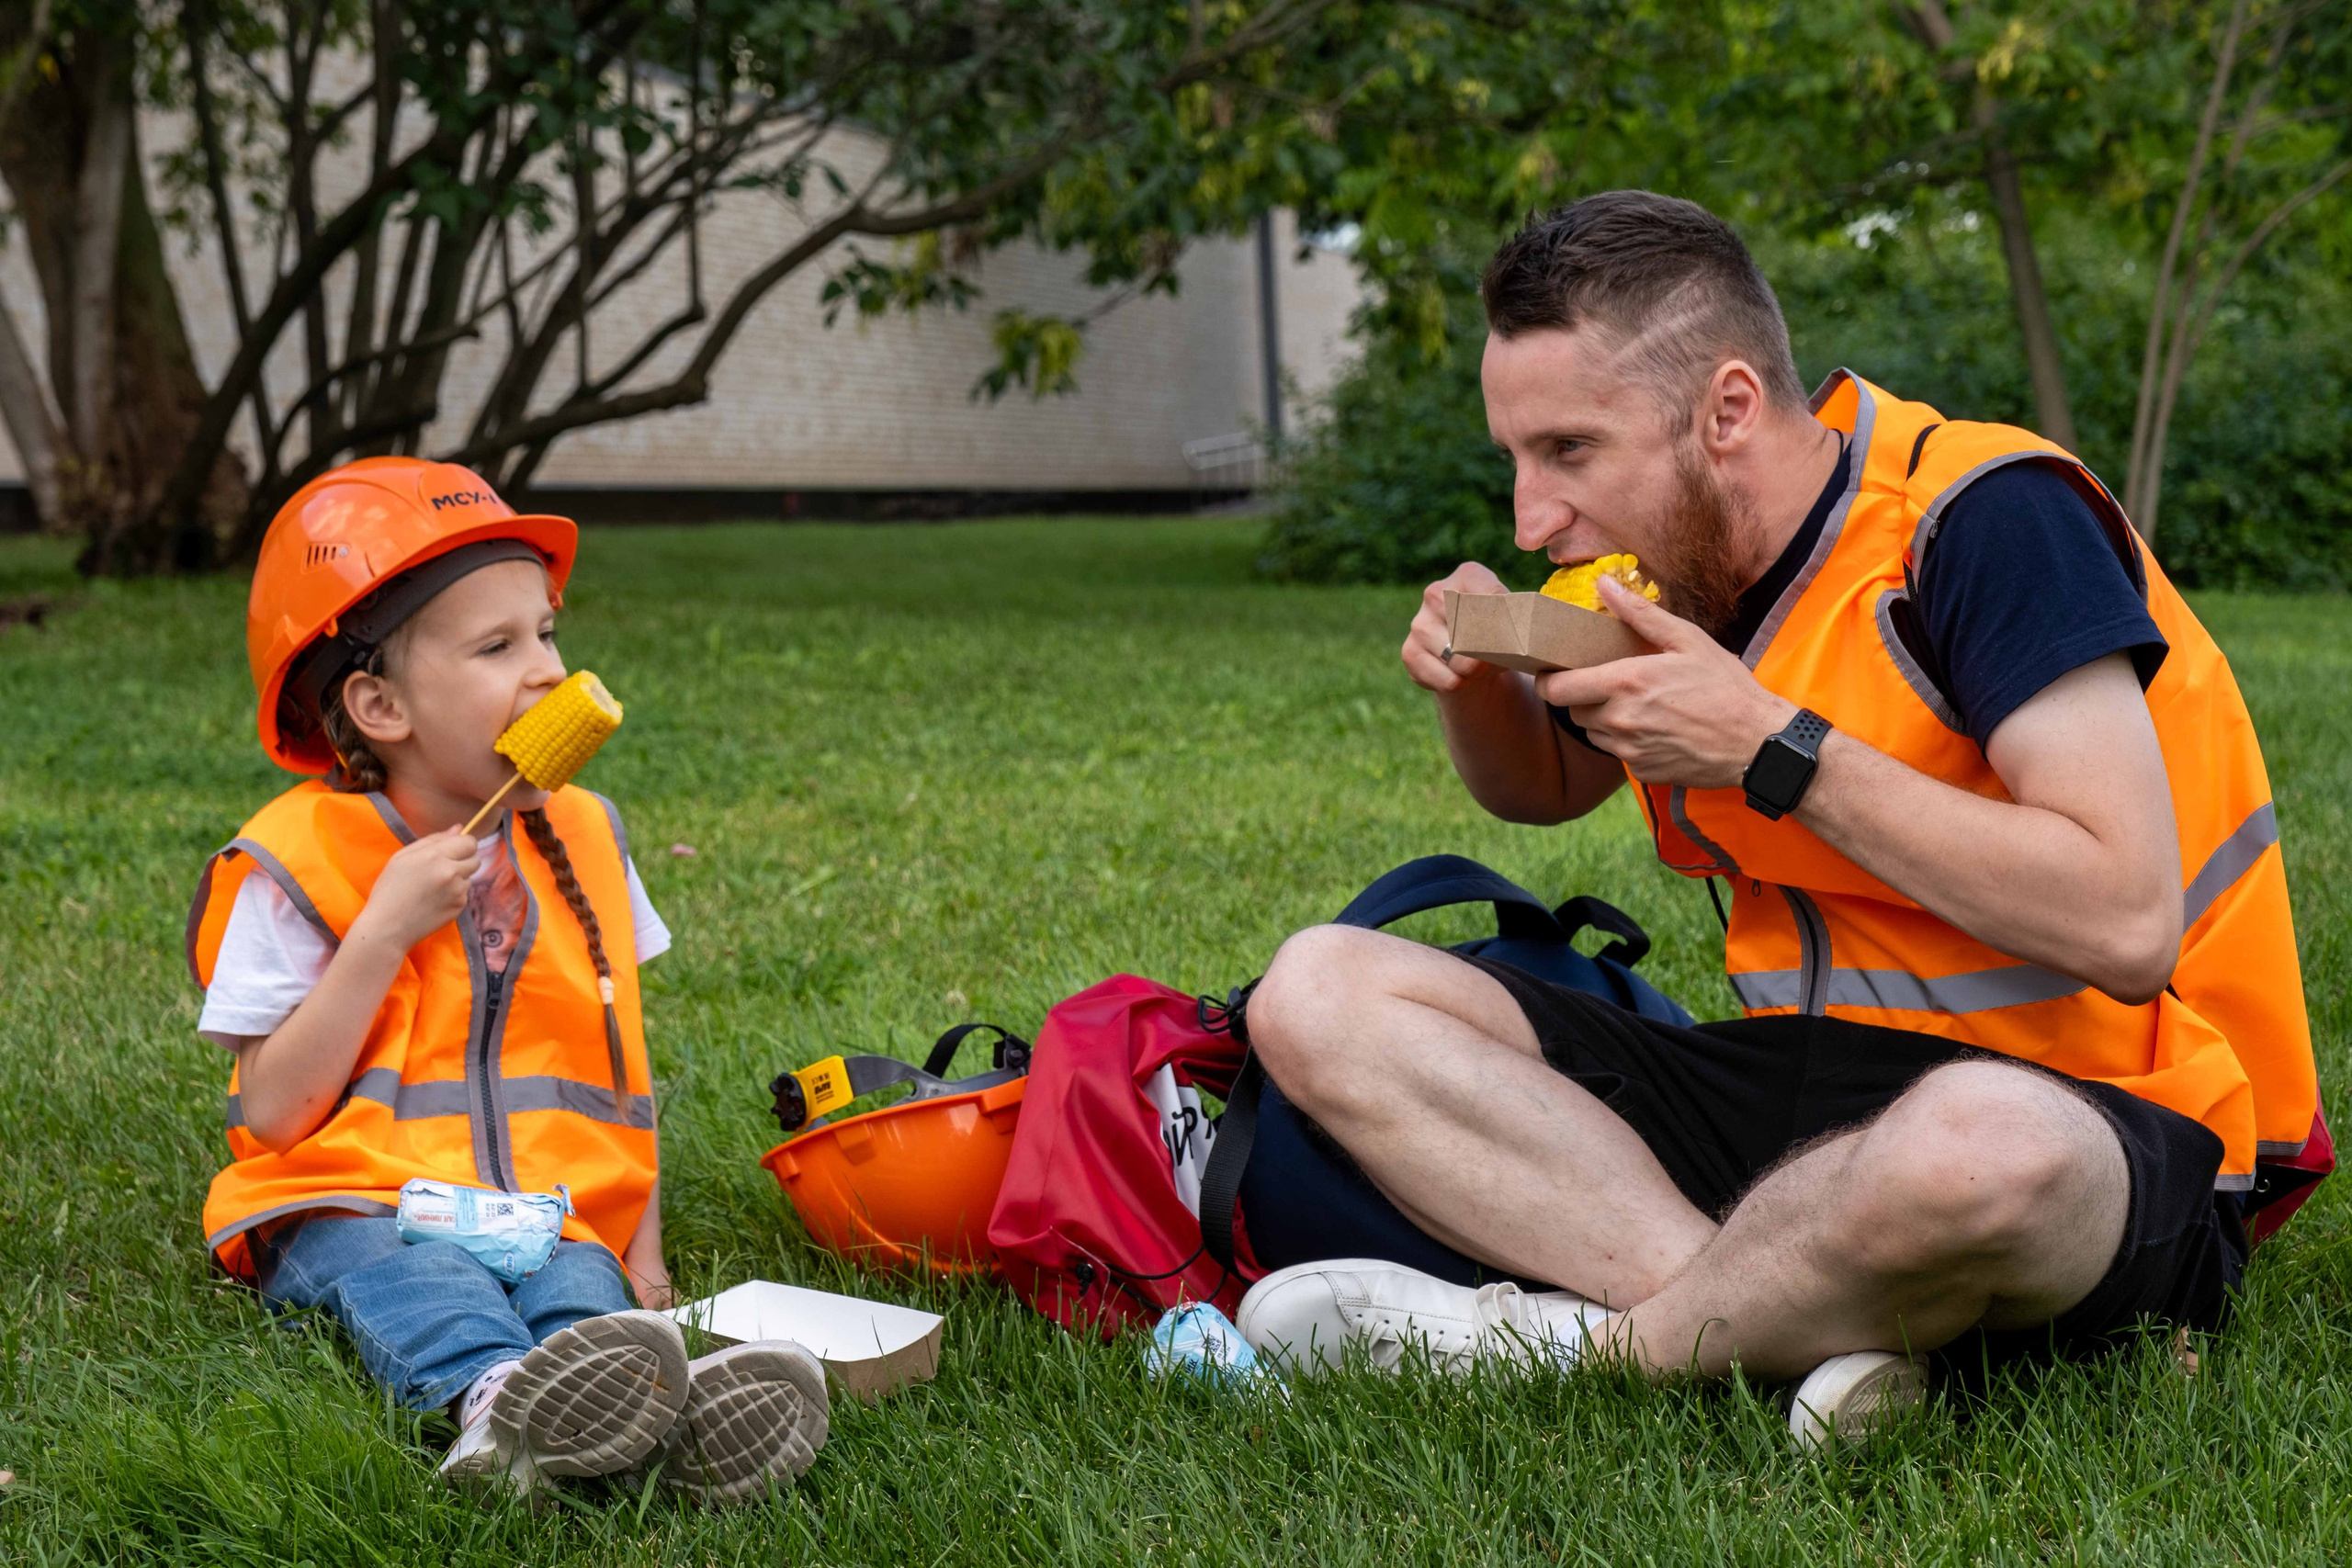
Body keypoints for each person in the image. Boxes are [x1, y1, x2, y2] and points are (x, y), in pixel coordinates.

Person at [1228, 192, 2324, 1443]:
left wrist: (1769, 746)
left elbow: (2126, 916)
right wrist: (1480, 680)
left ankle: (1572, 1347)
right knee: (1315, 987)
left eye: (1571, 452)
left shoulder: (1984, 520)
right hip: (1800, 1096)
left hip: (2093, 1113)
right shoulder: (1666, 571)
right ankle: (1782, 1309)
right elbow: (1543, 786)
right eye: (1515, 460)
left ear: (1730, 410)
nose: (1532, 519)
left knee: (1972, 1148)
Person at [188, 458, 828, 1502]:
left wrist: (644, 1249)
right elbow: (272, 1108)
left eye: (547, 634)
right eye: (497, 646)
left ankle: (656, 1411)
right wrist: (382, 932)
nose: (545, 672)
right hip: (359, 1205)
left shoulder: (587, 839)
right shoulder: (295, 860)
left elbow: (621, 1065)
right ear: (379, 704)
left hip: (547, 1210)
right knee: (426, 1279)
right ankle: (494, 1402)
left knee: (584, 1286)